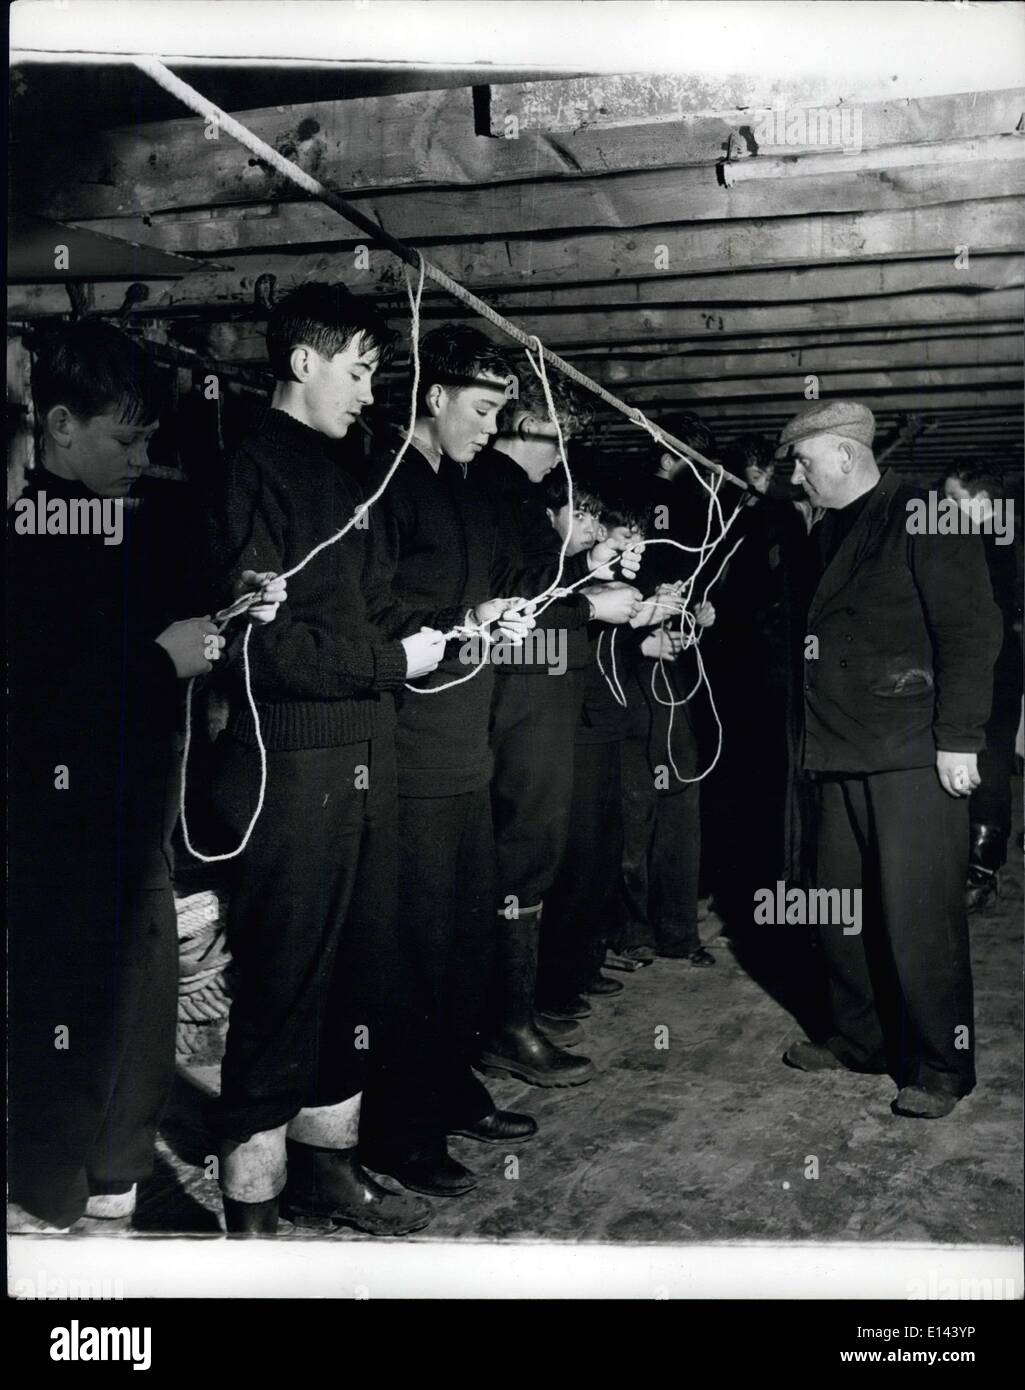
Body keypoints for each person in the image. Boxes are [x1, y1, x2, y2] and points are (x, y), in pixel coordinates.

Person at [7, 323, 280, 1232]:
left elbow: (155, 629)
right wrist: (162, 662)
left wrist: (232, 608)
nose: (140, 458)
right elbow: (44, 696)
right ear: (57, 425)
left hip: (139, 826)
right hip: (65, 827)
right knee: (70, 1012)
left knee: (141, 1004)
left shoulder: (115, 523)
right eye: (124, 440)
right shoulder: (27, 536)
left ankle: (117, 1180)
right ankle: (44, 1199)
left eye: (149, 441)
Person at [204, 283, 444, 1236]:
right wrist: (392, 661)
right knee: (283, 984)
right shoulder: (247, 471)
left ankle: (325, 1169)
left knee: (358, 969)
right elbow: (257, 642)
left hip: (365, 753)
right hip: (288, 769)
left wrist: (452, 634)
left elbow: (369, 611)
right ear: (302, 363)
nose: (367, 392)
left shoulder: (351, 474)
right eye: (357, 371)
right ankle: (251, 1208)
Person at [355, 324, 543, 1198]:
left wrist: (503, 611)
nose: (491, 425)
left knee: (461, 938)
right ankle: (400, 1130)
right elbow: (368, 608)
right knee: (411, 951)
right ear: (433, 397)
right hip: (410, 750)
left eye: (502, 409)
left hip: (465, 744)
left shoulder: (465, 489)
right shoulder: (386, 483)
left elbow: (488, 582)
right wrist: (443, 633)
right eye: (481, 407)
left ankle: (451, 1086)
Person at [778, 400, 1003, 1119]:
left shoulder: (923, 513)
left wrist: (960, 738)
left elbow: (971, 630)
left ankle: (940, 1063)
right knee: (836, 906)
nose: (793, 474)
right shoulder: (827, 526)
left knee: (918, 915)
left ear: (843, 456)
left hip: (911, 753)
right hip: (837, 747)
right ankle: (859, 1038)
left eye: (801, 460)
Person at [476, 375, 643, 1086]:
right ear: (525, 429)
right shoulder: (493, 490)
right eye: (557, 443)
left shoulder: (509, 496)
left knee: (536, 852)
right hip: (517, 700)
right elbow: (510, 608)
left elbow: (529, 590)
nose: (561, 461)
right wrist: (591, 606)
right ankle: (506, 1026)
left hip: (539, 697)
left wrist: (584, 577)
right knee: (521, 852)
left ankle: (517, 1016)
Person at [614, 414, 719, 968]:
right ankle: (639, 933)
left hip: (667, 676)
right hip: (627, 679)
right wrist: (641, 642)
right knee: (638, 804)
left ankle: (669, 932)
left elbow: (685, 580)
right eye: (695, 467)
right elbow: (592, 606)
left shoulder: (689, 512)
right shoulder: (625, 504)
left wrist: (697, 614)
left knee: (674, 798)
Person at [942, 465, 1023, 913]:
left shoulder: (992, 543)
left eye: (951, 502)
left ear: (981, 504)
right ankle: (973, 868)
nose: (940, 512)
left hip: (993, 672)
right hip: (984, 668)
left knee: (988, 769)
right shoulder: (993, 537)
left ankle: (981, 872)